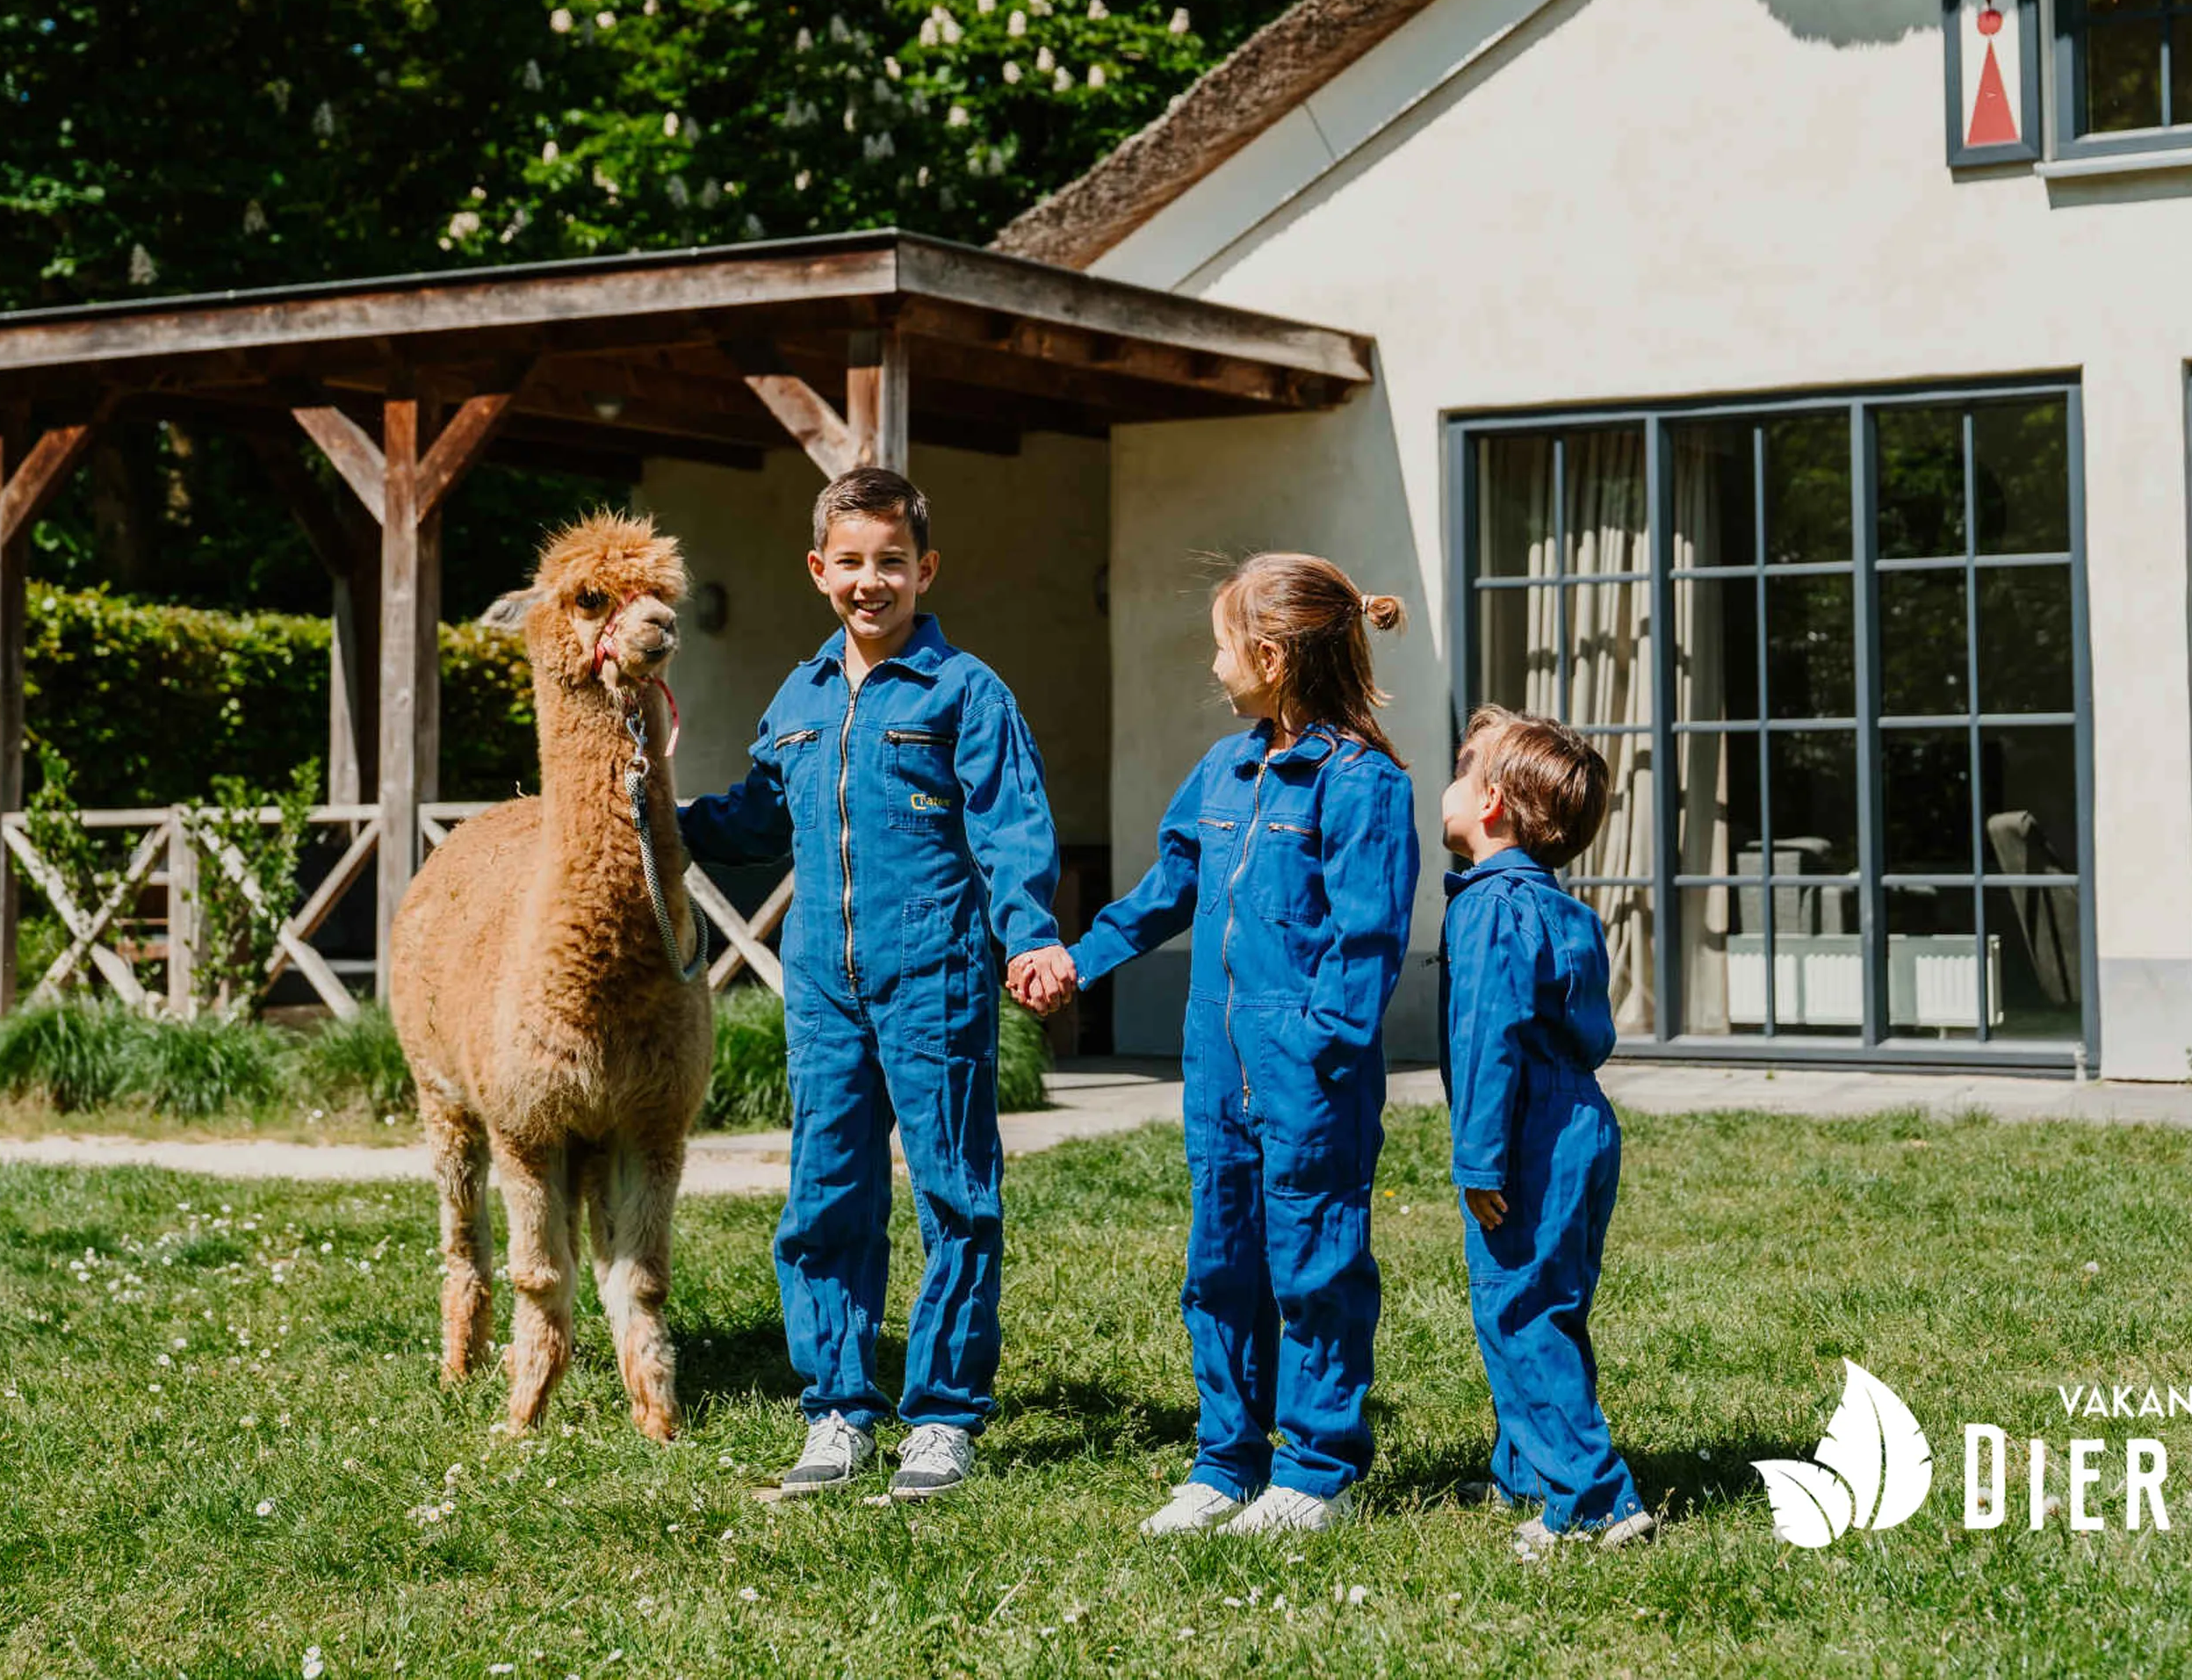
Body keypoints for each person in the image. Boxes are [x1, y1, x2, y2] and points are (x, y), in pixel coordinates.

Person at [1009, 553, 1418, 1535]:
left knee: (1315, 1271)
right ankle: (1227, 1461)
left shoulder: (1365, 786)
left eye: (1223, 643)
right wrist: (1077, 958)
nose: (1213, 662)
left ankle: (1318, 1469)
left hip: (1311, 1086)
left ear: (1271, 657)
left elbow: (1365, 952)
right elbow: (1163, 895)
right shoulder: (1223, 770)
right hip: (1216, 1080)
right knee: (1222, 1269)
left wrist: (1319, 1061)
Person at [681, 467, 1065, 1501]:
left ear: (924, 569)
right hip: (822, 990)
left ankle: (940, 1416)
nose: (870, 580)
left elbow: (1012, 832)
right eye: (849, 562)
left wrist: (1027, 936)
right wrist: (660, 819)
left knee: (955, 1197)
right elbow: (758, 818)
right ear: (818, 570)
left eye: (890, 561)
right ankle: (839, 1410)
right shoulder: (798, 696)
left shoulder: (965, 692)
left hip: (934, 977)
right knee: (825, 1198)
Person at [1436, 706, 1653, 1556]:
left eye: (1461, 770)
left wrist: (1480, 1158)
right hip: (1581, 1121)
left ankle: (1596, 1499)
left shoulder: (1489, 908)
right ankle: (1528, 1467)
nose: (1446, 786)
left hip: (1527, 1130)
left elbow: (1490, 1037)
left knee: (1520, 1310)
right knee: (1547, 1307)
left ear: (1489, 802)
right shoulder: (1555, 907)